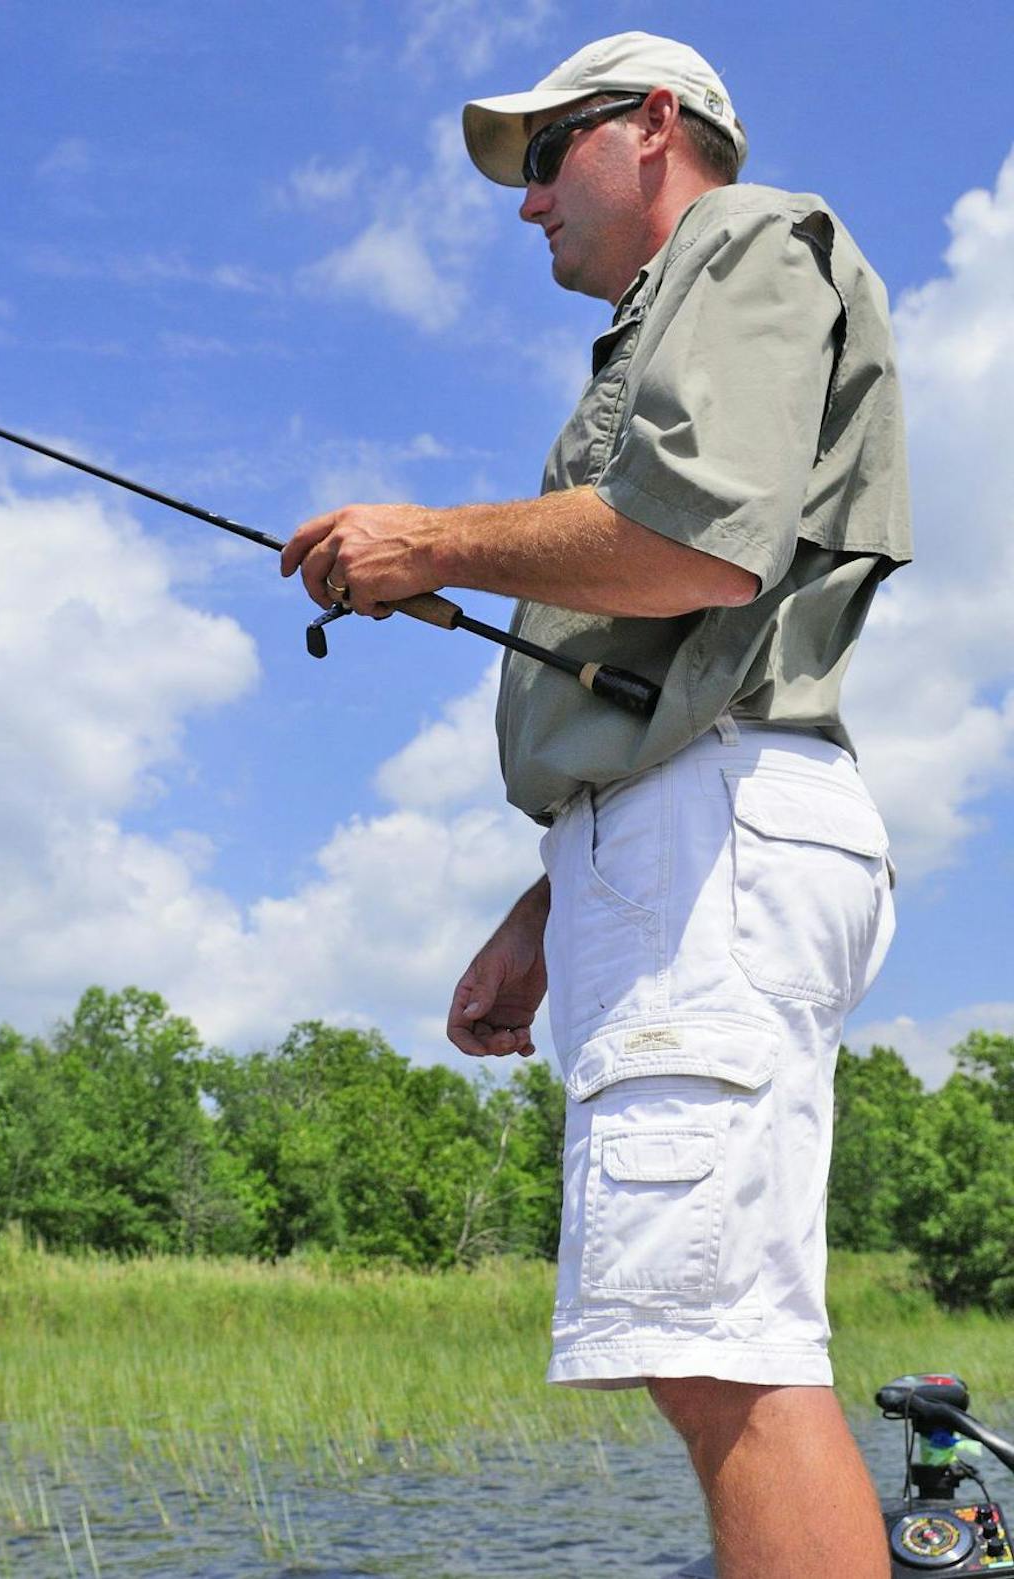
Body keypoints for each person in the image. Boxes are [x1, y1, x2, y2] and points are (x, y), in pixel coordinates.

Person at [281, 30, 912, 1579]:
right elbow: (678, 634)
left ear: (651, 127)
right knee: (702, 1350)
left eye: (547, 155)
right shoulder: (674, 308)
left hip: (720, 838)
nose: (525, 204)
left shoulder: (751, 240)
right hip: (672, 840)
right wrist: (547, 906)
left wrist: (429, 543)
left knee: (725, 1354)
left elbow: (695, 547)